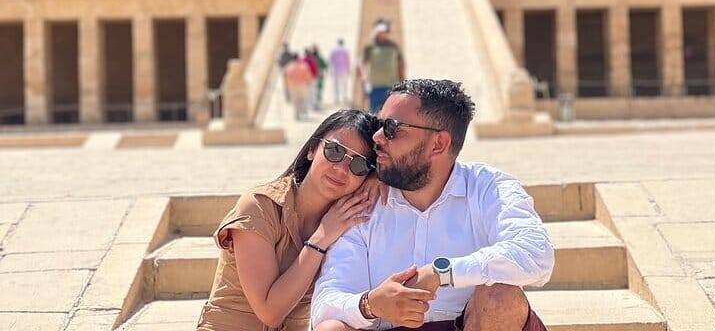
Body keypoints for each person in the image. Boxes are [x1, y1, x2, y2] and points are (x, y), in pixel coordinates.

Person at [311, 79, 554, 331]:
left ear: (438, 144)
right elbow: (325, 304)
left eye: (392, 128)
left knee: (500, 297)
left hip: (473, 323)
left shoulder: (487, 187)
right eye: (378, 124)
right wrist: (370, 305)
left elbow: (536, 253)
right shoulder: (364, 201)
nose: (377, 136)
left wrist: (441, 273)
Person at [197, 109, 382, 331]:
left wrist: (380, 178)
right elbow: (270, 312)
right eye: (334, 151)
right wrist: (321, 238)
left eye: (359, 165)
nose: (342, 169)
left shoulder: (349, 218)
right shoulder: (259, 206)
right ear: (312, 149)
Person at [361, 22, 404, 112]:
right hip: (375, 87)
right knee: (375, 113)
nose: (382, 35)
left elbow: (400, 63)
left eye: (384, 32)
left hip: (391, 86)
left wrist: (402, 81)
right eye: (380, 32)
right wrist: (364, 77)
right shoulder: (370, 46)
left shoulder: (393, 46)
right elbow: (363, 63)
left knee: (390, 113)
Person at [283, 53, 313, 120]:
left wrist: (287, 86)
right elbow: (308, 76)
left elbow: (286, 77)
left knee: (295, 101)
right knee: (302, 100)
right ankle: (302, 112)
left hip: (292, 86)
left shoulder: (288, 67)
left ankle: (296, 114)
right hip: (302, 86)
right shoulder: (303, 66)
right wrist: (308, 83)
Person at [329, 38, 351, 105]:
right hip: (344, 70)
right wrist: (348, 70)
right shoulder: (346, 50)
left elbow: (331, 60)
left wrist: (330, 69)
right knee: (344, 85)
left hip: (336, 69)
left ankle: (336, 98)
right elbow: (348, 61)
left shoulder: (333, 50)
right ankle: (344, 97)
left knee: (336, 85)